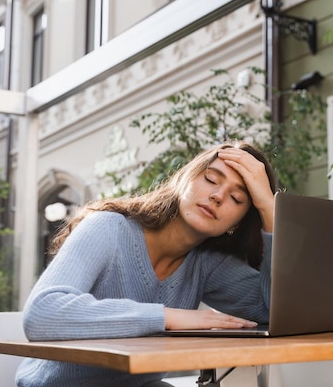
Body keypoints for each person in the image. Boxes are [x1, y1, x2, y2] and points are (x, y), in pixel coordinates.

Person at [15, 141, 278, 387]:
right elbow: (42, 314)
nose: (218, 196)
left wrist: (269, 208)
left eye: (237, 199)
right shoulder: (108, 227)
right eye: (211, 179)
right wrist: (168, 317)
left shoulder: (207, 263)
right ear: (183, 178)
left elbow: (274, 312)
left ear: (237, 224)